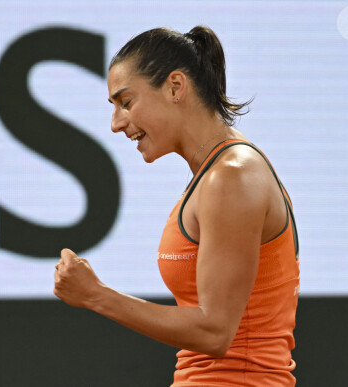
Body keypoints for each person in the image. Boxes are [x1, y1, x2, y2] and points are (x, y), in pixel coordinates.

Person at [53, 25, 300, 386]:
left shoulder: (231, 176)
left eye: (126, 102)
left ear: (175, 87)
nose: (116, 123)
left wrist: (96, 295)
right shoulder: (218, 173)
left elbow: (215, 333)